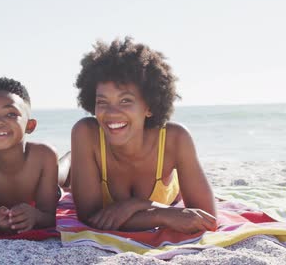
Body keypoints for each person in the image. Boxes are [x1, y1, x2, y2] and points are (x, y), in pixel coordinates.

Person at [70, 37, 217, 233]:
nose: (112, 113)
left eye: (125, 101)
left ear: (149, 106)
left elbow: (206, 219)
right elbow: (91, 217)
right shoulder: (86, 133)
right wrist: (159, 213)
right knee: (61, 173)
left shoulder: (175, 139)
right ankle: (68, 161)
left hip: (167, 192)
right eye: (102, 102)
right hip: (89, 159)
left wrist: (136, 205)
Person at [0, 77, 59, 233]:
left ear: (30, 125)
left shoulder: (44, 156)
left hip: (50, 177)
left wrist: (35, 216)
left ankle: (69, 159)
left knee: (62, 175)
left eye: (10, 114)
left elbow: (49, 217)